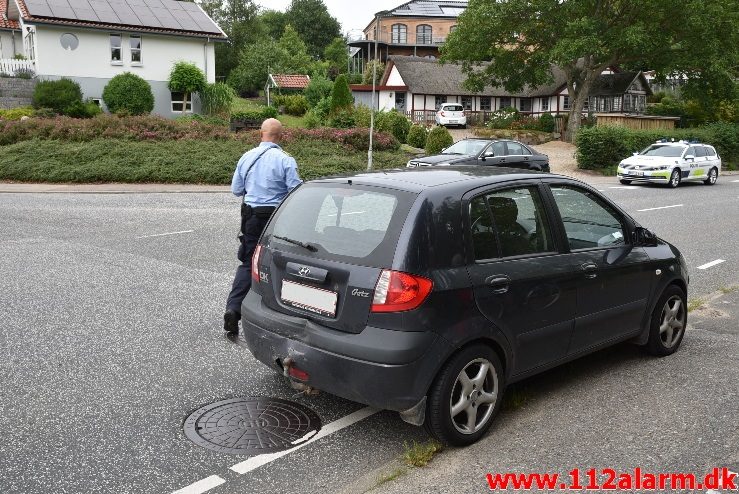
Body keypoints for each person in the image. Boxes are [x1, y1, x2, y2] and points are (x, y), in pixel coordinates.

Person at [224, 118, 302, 334]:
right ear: (281, 136)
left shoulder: (247, 157)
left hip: (250, 217)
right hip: (275, 219)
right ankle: (279, 315)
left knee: (249, 263)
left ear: (261, 134)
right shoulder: (286, 160)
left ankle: (233, 309)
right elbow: (296, 192)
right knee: (278, 263)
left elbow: (236, 190)